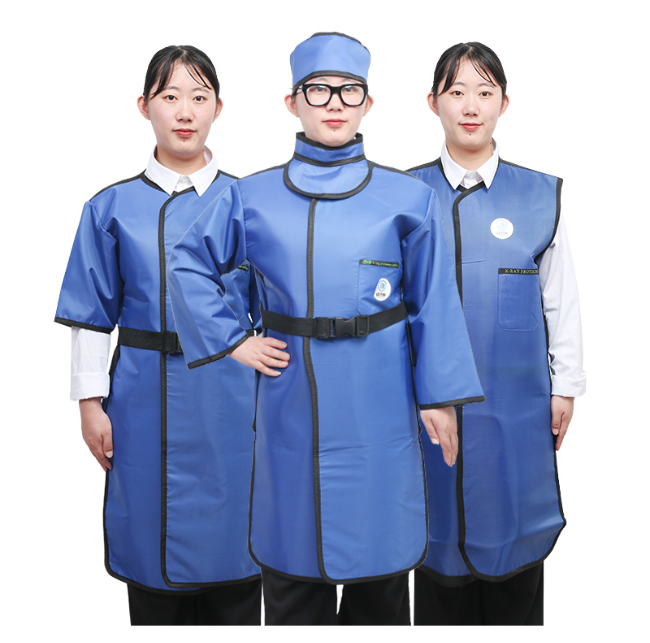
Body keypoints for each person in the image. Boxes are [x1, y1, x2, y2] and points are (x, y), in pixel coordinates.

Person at [167, 32, 484, 626]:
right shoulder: (251, 197)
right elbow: (187, 262)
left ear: (368, 103)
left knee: (381, 579)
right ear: (293, 103)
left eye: (349, 90)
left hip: (379, 407)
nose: (334, 102)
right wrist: (233, 340)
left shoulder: (408, 198)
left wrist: (440, 397)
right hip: (291, 406)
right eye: (318, 90)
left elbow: (434, 303)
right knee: (293, 574)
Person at [54, 45, 261, 626]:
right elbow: (91, 312)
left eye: (199, 97)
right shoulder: (110, 207)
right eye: (170, 97)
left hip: (232, 396)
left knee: (239, 549)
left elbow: (276, 313)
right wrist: (89, 403)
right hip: (142, 396)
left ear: (219, 107)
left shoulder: (250, 203)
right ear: (145, 106)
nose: (185, 112)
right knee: (150, 549)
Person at [408, 42, 586, 625]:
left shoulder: (538, 195)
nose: (471, 106)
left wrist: (566, 385)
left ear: (504, 103)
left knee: (515, 537)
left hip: (518, 405)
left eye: (484, 92)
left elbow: (559, 299)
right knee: (436, 548)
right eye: (457, 92)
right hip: (428, 407)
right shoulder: (404, 195)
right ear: (433, 102)